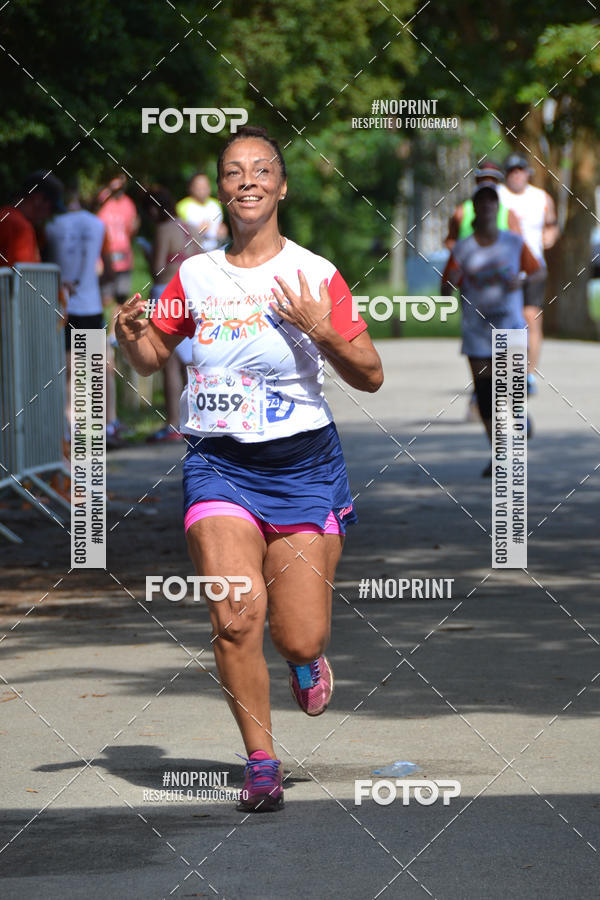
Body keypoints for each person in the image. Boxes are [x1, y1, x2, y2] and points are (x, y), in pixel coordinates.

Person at [116, 125, 383, 812]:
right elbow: (153, 358)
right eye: (234, 172)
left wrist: (320, 327)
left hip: (302, 466)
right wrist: (133, 337)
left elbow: (371, 374)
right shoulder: (195, 274)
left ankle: (306, 661)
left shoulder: (314, 273)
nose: (248, 181)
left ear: (282, 186)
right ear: (223, 191)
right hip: (218, 464)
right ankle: (260, 759)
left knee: (300, 632)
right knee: (235, 616)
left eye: (262, 170)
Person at [441, 182, 541, 476]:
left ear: (497, 209)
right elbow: (444, 290)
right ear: (476, 209)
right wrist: (453, 279)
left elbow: (537, 272)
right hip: (476, 331)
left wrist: (521, 282)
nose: (486, 207)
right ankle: (498, 455)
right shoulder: (463, 248)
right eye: (481, 203)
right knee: (485, 394)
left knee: (509, 388)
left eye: (491, 203)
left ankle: (520, 417)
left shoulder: (513, 243)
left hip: (509, 325)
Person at [142, 185, 203, 442]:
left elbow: (157, 267)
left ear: (155, 208)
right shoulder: (189, 227)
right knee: (193, 361)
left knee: (168, 362)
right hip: (190, 294)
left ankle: (174, 424)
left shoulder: (163, 230)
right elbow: (202, 259)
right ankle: (198, 418)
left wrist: (146, 251)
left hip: (166, 293)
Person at [44, 181, 106, 425]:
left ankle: (67, 429)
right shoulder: (97, 224)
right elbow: (107, 264)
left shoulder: (50, 226)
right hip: (91, 304)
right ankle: (89, 436)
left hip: (62, 305)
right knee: (88, 373)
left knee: (66, 373)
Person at [498, 154, 560, 394]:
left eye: (520, 170)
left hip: (534, 268)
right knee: (507, 322)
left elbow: (552, 223)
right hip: (505, 270)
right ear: (507, 174)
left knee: (530, 318)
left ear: (527, 173)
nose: (516, 174)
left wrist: (551, 235)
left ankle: (529, 375)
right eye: (512, 171)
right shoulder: (497, 196)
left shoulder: (541, 197)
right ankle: (507, 372)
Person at [96, 174, 140, 446]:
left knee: (120, 299)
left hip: (123, 258)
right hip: (105, 259)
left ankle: (113, 331)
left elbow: (133, 226)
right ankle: (107, 331)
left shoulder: (128, 205)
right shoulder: (102, 203)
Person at [444, 161, 520, 251]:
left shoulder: (508, 215)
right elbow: (450, 241)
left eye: (493, 180)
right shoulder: (461, 212)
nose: (488, 183)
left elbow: (519, 246)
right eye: (483, 179)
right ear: (477, 181)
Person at [0, 172, 64, 267]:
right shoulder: (20, 226)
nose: (49, 216)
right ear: (38, 199)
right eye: (51, 209)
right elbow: (25, 278)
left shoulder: (4, 215)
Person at [176, 173, 228, 251]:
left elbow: (220, 225)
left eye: (205, 186)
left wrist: (223, 230)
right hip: (193, 252)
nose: (202, 189)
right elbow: (177, 234)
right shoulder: (182, 206)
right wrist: (197, 232)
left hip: (216, 249)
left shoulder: (216, 204)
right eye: (199, 186)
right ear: (191, 188)